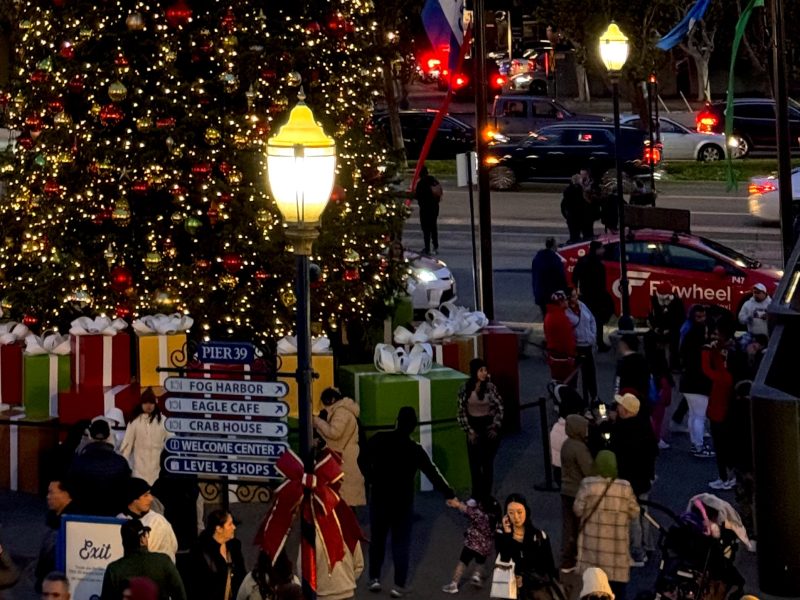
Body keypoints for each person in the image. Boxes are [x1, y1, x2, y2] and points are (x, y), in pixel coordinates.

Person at [362, 406, 455, 597]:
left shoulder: (379, 438)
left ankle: (374, 578)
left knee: (378, 539)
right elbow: (432, 472)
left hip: (379, 496)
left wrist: (371, 477)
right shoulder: (415, 450)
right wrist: (449, 494)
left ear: (396, 421)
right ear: (413, 427)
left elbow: (361, 458)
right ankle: (398, 585)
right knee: (401, 543)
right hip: (402, 502)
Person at [574, 451, 640, 600]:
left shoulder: (588, 484)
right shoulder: (624, 487)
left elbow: (577, 510)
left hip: (593, 550)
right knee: (617, 591)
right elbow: (635, 512)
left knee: (592, 590)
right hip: (616, 551)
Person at [609, 393, 658, 568]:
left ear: (627, 411)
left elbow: (614, 450)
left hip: (629, 480)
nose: (618, 407)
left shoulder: (622, 430)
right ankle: (648, 545)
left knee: (633, 519)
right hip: (644, 478)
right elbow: (653, 451)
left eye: (621, 405)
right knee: (644, 513)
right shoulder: (645, 426)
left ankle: (637, 553)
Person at [100, 519, 186, 600]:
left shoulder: (114, 570)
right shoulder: (163, 561)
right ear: (142, 539)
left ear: (123, 543)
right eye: (146, 534)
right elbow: (180, 596)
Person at [456, 358, 504, 500]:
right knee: (475, 464)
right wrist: (469, 431)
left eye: (485, 370)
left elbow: (499, 408)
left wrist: (495, 426)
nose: (484, 373)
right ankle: (476, 494)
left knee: (487, 463)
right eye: (481, 370)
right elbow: (461, 411)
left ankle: (486, 494)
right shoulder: (464, 388)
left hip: (488, 426)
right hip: (473, 427)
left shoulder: (490, 388)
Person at [495, 493, 558, 600]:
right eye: (511, 513)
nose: (516, 517)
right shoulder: (501, 536)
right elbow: (503, 562)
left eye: (519, 512)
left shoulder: (539, 537)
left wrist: (524, 579)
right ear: (506, 515)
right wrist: (507, 534)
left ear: (526, 511)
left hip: (535, 591)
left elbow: (549, 570)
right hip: (511, 592)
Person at [312, 387, 366, 507]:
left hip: (345, 460)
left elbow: (334, 433)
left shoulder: (341, 412)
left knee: (344, 499)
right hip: (346, 458)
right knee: (345, 499)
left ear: (331, 400)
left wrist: (317, 422)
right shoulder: (343, 411)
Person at [68, 419, 131, 515]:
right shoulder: (121, 462)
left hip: (84, 515)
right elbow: (126, 490)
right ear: (108, 436)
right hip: (113, 515)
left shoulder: (78, 462)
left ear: (90, 435)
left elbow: (71, 488)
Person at [702, 322, 737, 491]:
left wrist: (706, 352)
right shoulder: (732, 354)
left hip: (718, 411)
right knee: (728, 446)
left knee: (721, 446)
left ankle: (724, 477)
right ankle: (730, 476)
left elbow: (707, 369)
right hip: (727, 411)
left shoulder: (721, 376)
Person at [441, 496, 501, 593]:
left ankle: (454, 584)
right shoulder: (495, 520)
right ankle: (476, 576)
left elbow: (466, 510)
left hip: (471, 545)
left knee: (462, 563)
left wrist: (456, 504)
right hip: (484, 548)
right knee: (480, 562)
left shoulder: (478, 514)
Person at [558, 415, 593, 573]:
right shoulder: (579, 448)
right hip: (577, 491)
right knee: (579, 525)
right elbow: (588, 470)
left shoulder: (566, 444)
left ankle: (566, 557)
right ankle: (575, 556)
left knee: (568, 525)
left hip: (566, 490)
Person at [679, 304, 715, 458]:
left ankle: (695, 444)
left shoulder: (687, 335)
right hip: (699, 382)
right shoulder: (701, 341)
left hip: (687, 381)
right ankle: (699, 446)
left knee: (693, 416)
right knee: (700, 416)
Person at [187, 510, 246, 600]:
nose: (234, 527)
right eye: (230, 524)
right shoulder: (201, 551)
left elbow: (242, 574)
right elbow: (197, 585)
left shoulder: (234, 547)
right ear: (218, 528)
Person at [118, 478, 179, 562]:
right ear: (133, 499)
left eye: (150, 494)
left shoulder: (157, 521)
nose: (151, 499)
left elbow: (173, 546)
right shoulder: (119, 520)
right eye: (145, 495)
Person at [120, 388, 171, 486]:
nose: (149, 406)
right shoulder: (134, 422)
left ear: (155, 404)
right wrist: (123, 470)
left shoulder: (163, 421)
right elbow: (126, 447)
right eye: (146, 403)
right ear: (141, 404)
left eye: (151, 402)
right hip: (138, 474)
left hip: (158, 474)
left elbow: (172, 442)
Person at [572, 240, 613, 351]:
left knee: (586, 318)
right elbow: (601, 284)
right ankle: (599, 342)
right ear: (597, 250)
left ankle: (587, 340)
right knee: (597, 320)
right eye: (602, 248)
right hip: (596, 296)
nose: (603, 250)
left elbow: (574, 277)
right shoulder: (599, 265)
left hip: (585, 295)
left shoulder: (583, 261)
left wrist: (577, 290)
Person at [36, 480, 75, 592]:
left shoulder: (72, 524)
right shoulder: (52, 518)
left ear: (66, 494)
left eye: (51, 492)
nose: (48, 497)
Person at [566, 286, 598, 401]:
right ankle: (574, 399)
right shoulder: (566, 312)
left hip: (588, 345)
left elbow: (591, 319)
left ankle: (594, 397)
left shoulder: (582, 305)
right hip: (577, 347)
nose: (576, 297)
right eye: (574, 296)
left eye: (576, 295)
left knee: (590, 375)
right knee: (573, 376)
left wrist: (592, 336)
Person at [647, 281, 685, 370]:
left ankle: (675, 365)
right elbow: (651, 316)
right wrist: (655, 327)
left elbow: (680, 319)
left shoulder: (677, 302)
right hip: (658, 328)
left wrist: (670, 329)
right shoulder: (654, 300)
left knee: (674, 339)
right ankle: (650, 363)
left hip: (672, 329)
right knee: (648, 337)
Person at [613, 334, 651, 419]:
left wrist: (614, 405)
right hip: (642, 403)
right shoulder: (643, 361)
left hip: (625, 404)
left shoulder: (623, 363)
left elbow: (617, 385)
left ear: (624, 345)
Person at [543, 291, 577, 383]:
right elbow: (567, 340)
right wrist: (572, 355)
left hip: (553, 355)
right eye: (565, 300)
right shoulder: (561, 318)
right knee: (567, 384)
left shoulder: (549, 315)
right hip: (563, 357)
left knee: (556, 381)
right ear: (560, 302)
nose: (567, 302)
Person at [531, 237, 568, 318]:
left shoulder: (537, 258)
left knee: (545, 316)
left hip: (540, 292)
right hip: (552, 294)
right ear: (554, 246)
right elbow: (561, 277)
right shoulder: (555, 260)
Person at [415, 166, 442, 255]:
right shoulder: (433, 180)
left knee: (426, 229)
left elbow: (417, 195)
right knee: (433, 226)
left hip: (425, 208)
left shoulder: (421, 183)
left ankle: (427, 248)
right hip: (434, 207)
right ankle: (436, 246)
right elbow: (439, 193)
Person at [561, 174, 590, 243]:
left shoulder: (567, 190)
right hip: (579, 216)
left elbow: (564, 204)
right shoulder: (580, 190)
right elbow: (583, 203)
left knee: (573, 235)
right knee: (584, 235)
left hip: (571, 216)